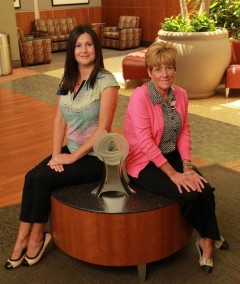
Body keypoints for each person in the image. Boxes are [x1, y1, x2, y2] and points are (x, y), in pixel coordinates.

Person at [5, 24, 119, 269]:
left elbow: (103, 130)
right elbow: (59, 119)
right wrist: (57, 154)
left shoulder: (106, 81)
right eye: (78, 45)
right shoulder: (67, 78)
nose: (84, 50)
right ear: (71, 50)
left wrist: (72, 157)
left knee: (44, 179)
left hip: (97, 157)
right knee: (31, 176)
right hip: (72, 149)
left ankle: (36, 237)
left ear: (96, 48)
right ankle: (21, 238)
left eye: (89, 44)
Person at [123, 41, 228, 273]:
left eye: (169, 67)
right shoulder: (140, 98)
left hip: (171, 154)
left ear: (175, 69)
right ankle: (208, 239)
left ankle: (207, 237)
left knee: (205, 189)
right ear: (149, 72)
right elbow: (145, 141)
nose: (165, 74)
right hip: (144, 163)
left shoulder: (180, 94)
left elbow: (184, 132)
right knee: (189, 195)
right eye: (158, 69)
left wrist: (187, 167)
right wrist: (174, 175)